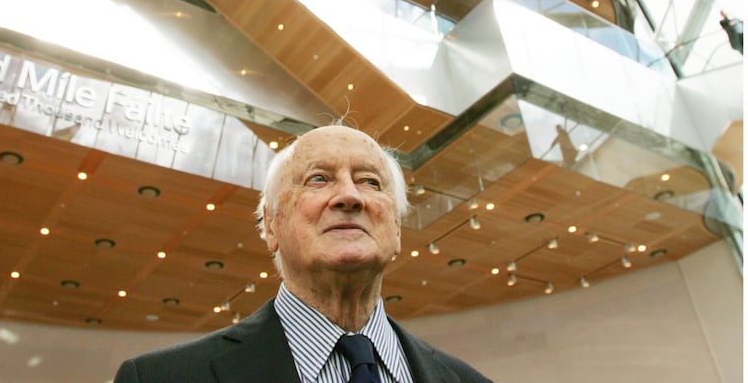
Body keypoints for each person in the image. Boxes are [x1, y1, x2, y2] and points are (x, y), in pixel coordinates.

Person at [113, 125, 492, 382]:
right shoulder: (159, 378)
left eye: (370, 181)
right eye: (318, 179)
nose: (349, 196)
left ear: (396, 228)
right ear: (271, 225)